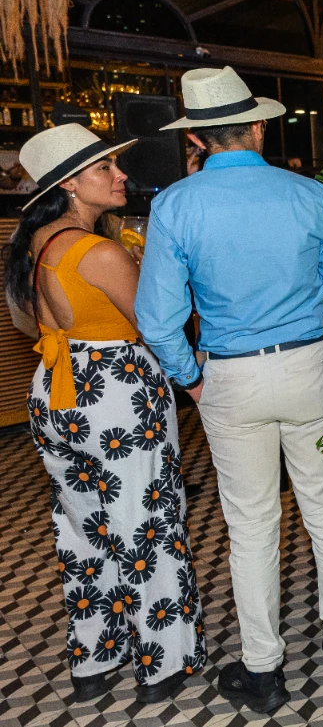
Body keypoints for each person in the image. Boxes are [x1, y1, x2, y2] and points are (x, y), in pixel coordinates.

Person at [135, 66, 323, 715]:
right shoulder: (307, 193)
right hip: (308, 365)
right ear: (258, 127)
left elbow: (157, 319)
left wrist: (191, 377)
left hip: (230, 375)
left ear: (198, 139)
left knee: (252, 524)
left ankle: (263, 670)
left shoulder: (176, 205)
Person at [6, 124, 206, 704]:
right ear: (69, 184)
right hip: (114, 392)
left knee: (85, 528)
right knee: (146, 524)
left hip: (56, 390)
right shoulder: (99, 252)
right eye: (105, 169)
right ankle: (162, 662)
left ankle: (95, 660)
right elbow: (159, 323)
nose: (121, 176)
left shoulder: (34, 243)